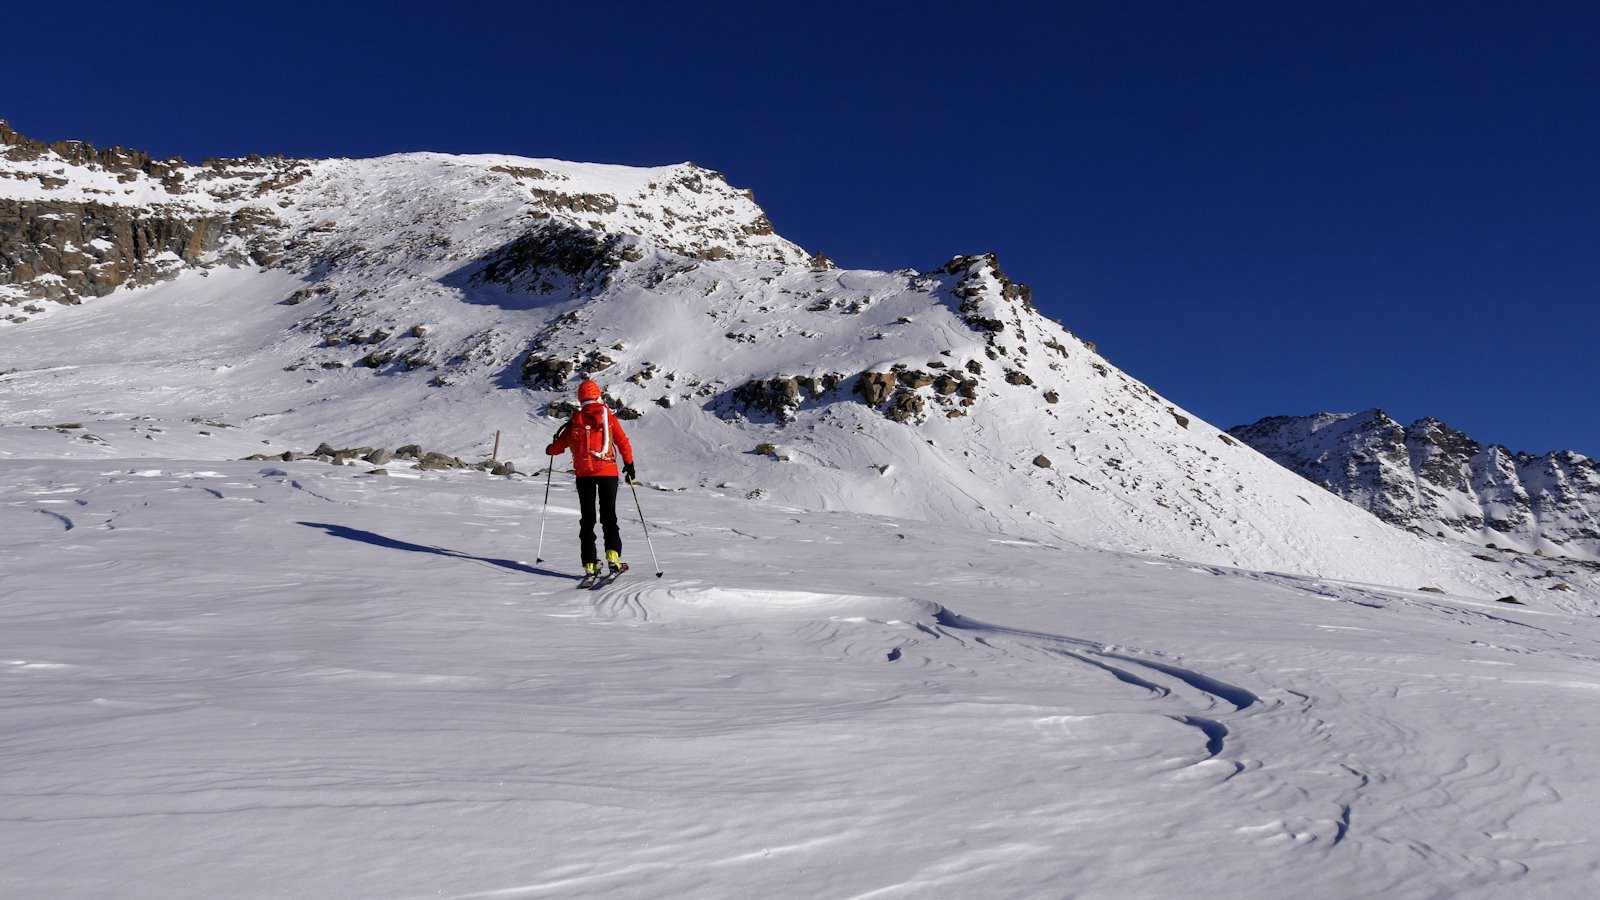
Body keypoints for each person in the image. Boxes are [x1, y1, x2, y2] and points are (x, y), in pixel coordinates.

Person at [545, 380, 636, 578]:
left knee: (587, 519)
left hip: (584, 474)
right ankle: (613, 556)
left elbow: (559, 446)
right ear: (598, 395)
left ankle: (589, 563)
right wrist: (629, 464)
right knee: (608, 516)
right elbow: (622, 441)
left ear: (580, 398)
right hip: (608, 472)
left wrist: (550, 449)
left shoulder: (575, 419)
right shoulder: (607, 417)